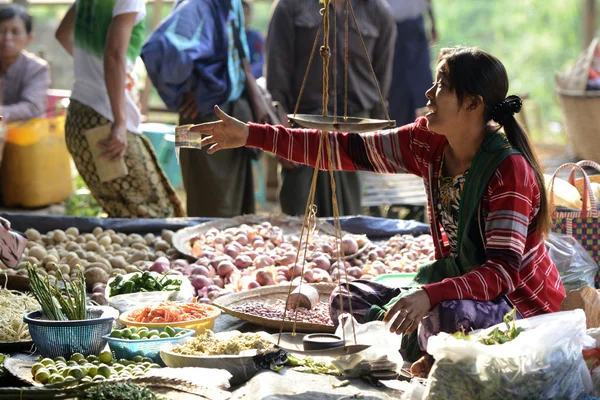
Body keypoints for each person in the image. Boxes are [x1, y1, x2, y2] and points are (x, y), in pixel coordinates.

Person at [188, 46, 566, 377]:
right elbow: (344, 149)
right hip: (451, 287)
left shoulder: (508, 171)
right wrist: (252, 135)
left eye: (442, 86)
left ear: (473, 103)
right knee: (345, 299)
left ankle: (424, 347)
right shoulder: (427, 143)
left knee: (443, 316)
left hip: (517, 307)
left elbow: (501, 273)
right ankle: (421, 348)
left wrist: (429, 295)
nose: (428, 93)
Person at [265, 0, 396, 217]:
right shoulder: (290, 7)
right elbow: (276, 81)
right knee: (299, 218)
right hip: (302, 127)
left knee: (349, 222)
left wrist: (378, 139)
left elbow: (382, 81)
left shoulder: (377, 11)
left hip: (355, 131)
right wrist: (281, 136)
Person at [55, 0, 184, 218]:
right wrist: (120, 121)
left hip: (79, 117)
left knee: (125, 215)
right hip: (104, 122)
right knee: (158, 215)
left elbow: (63, 34)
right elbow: (114, 55)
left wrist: (92, 69)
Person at [141, 0, 257, 218]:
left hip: (227, 111)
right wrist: (189, 88)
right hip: (200, 116)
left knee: (231, 203)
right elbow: (158, 47)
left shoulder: (231, 5)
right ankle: (202, 248)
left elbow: (240, 61)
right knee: (206, 199)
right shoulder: (198, 4)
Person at [387, 0, 436, 126]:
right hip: (393, 28)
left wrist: (433, 22)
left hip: (416, 27)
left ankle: (426, 128)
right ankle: (400, 129)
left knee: (423, 82)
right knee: (397, 86)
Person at [0, 5, 50, 123]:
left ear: (29, 38)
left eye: (15, 32)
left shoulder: (38, 68)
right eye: (1, 31)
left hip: (26, 137)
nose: (7, 38)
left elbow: (32, 107)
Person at [242, 0, 264, 79]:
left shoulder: (256, 38)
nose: (245, 18)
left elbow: (263, 61)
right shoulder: (229, 39)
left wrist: (248, 73)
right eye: (242, 14)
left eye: (247, 14)